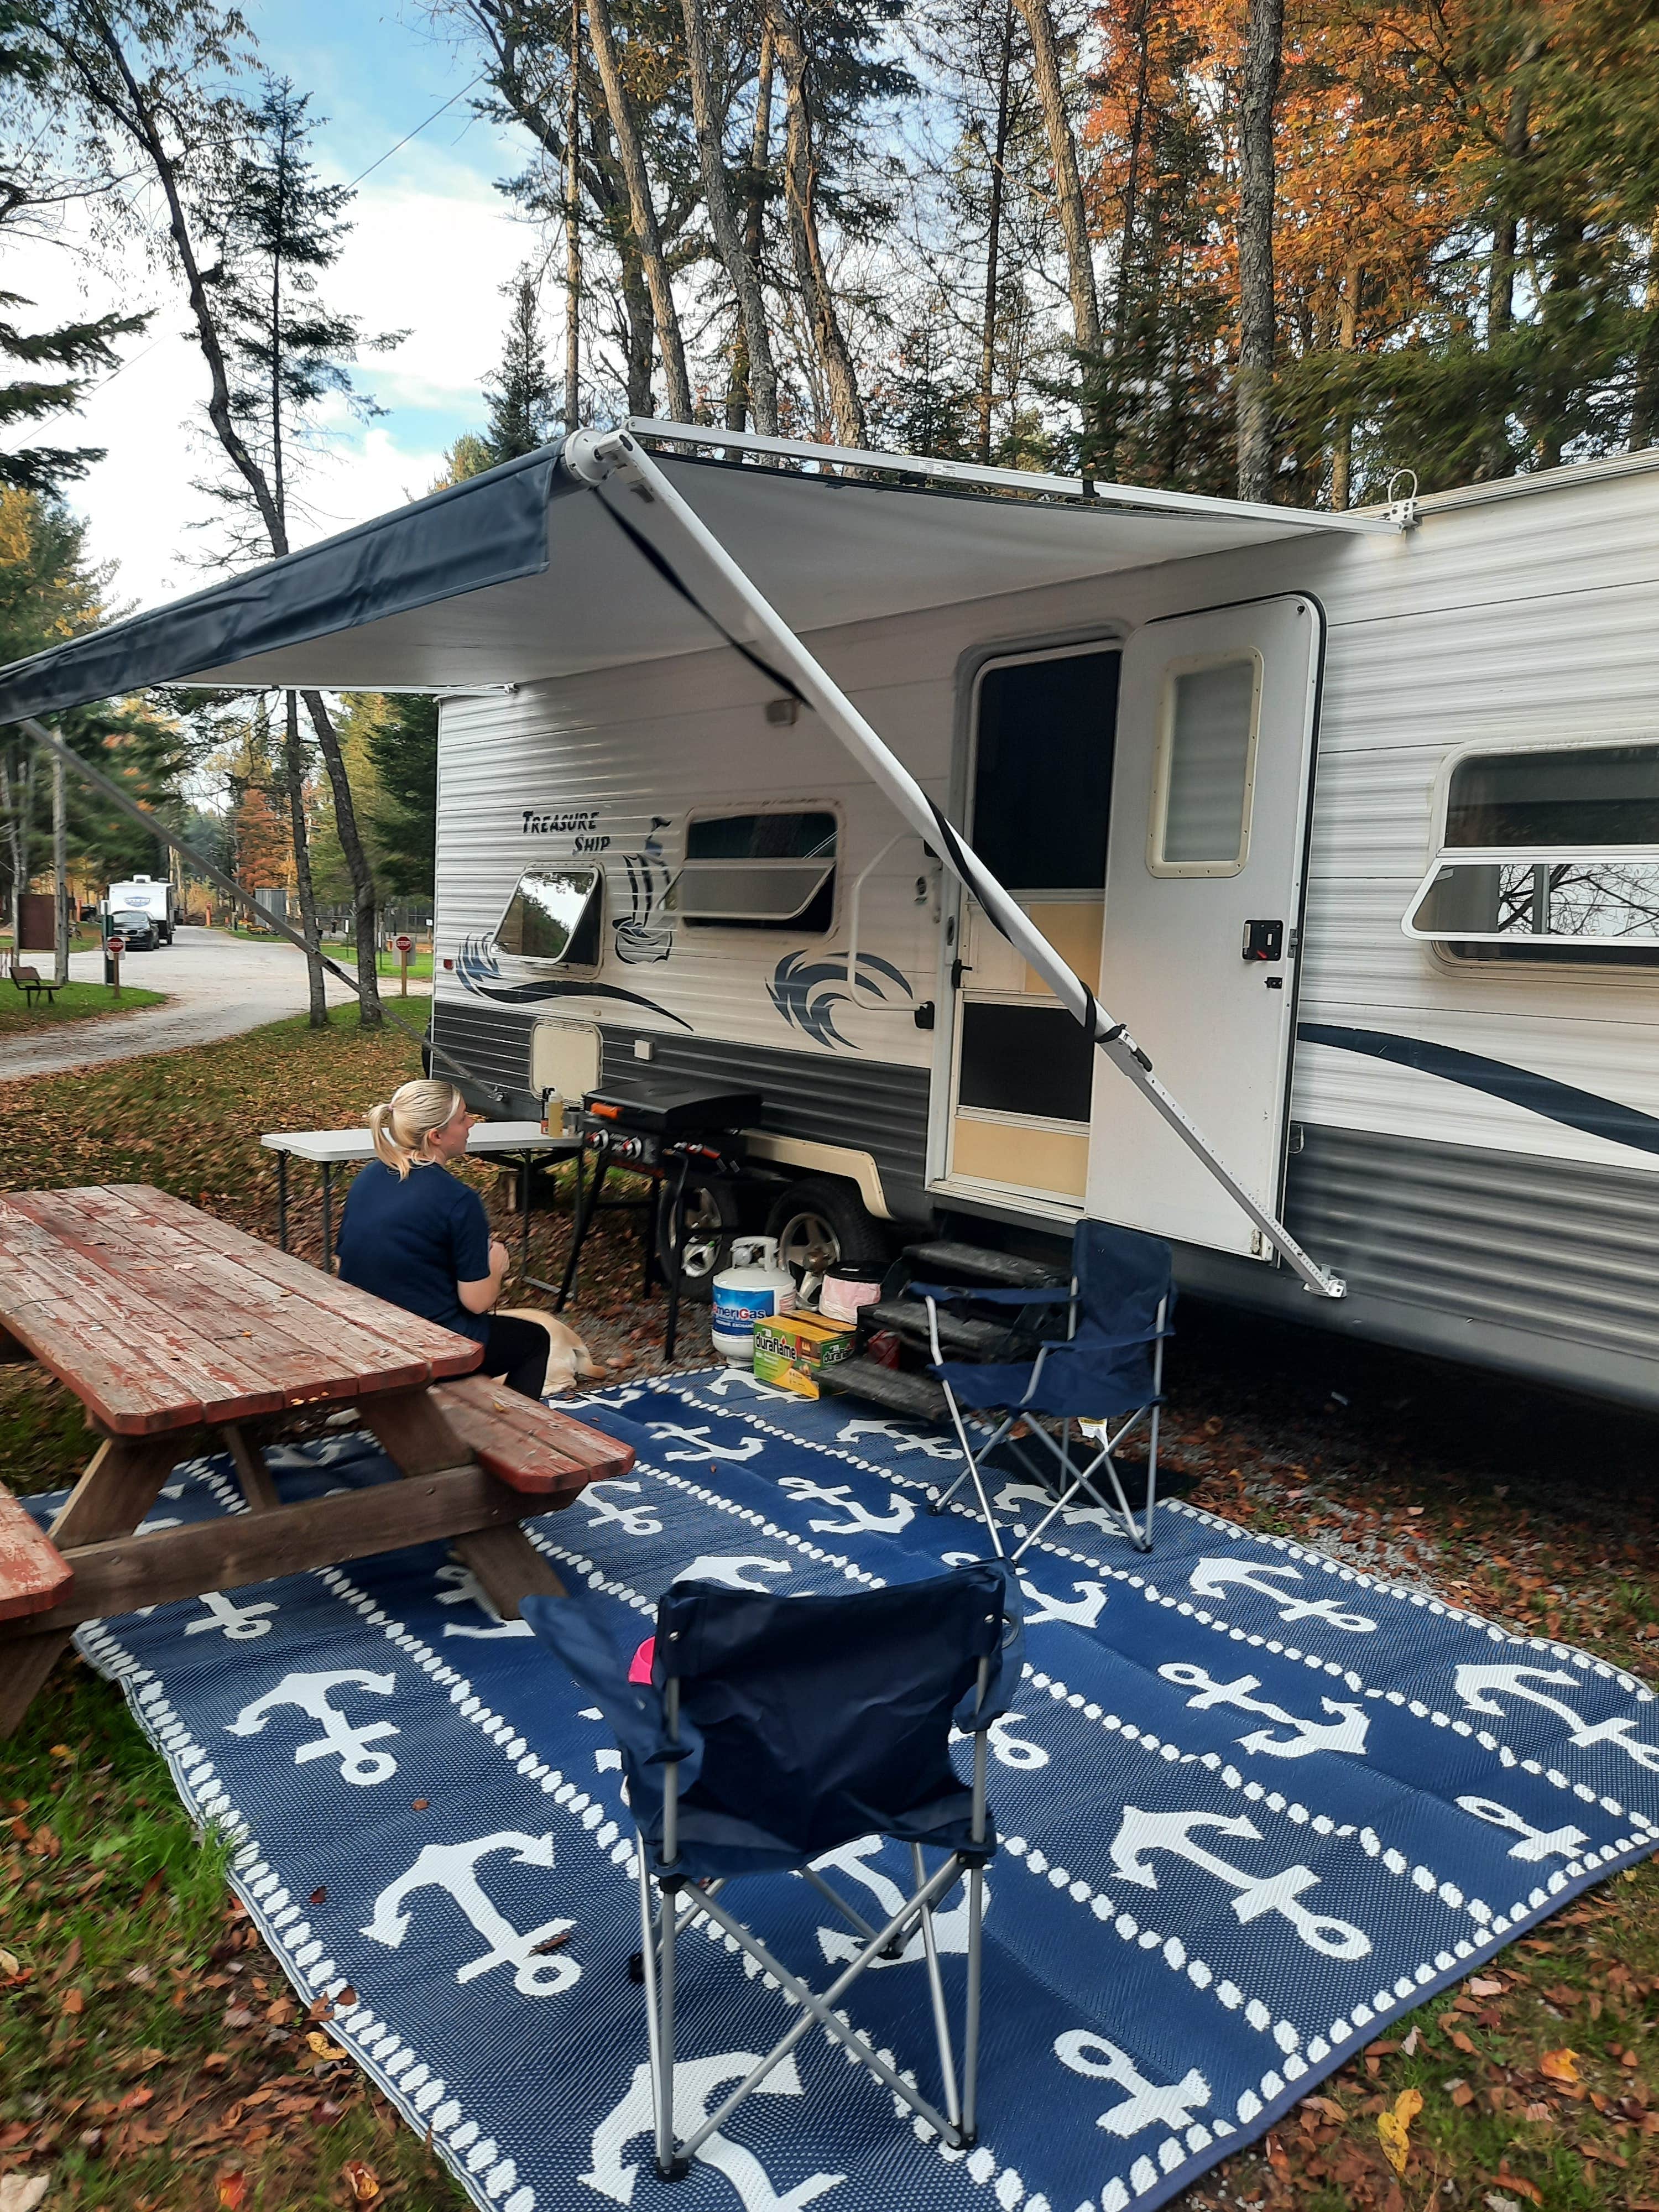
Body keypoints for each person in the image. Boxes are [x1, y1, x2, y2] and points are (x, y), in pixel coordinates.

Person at [337, 1078, 550, 1400]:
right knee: (535, 1340)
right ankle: (524, 1436)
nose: (472, 1124)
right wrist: (495, 1265)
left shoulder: (368, 1177)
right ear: (436, 1136)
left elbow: (345, 1261)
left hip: (365, 1332)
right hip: (429, 1345)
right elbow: (476, 1303)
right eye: (463, 1118)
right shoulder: (459, 1200)